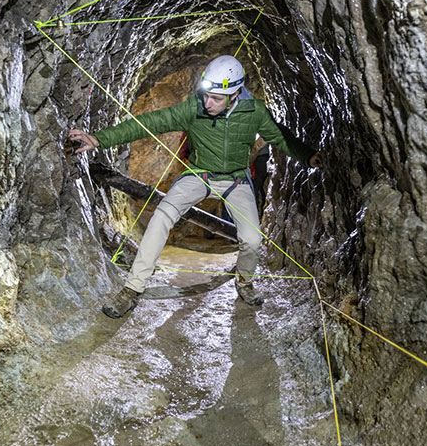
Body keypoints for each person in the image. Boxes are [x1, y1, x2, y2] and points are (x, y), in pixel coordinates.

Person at [69, 55, 321, 317]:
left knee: (252, 239)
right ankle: (132, 290)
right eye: (206, 95)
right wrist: (98, 139)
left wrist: (306, 155)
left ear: (234, 94)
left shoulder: (254, 111)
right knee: (160, 219)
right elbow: (149, 123)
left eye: (216, 98)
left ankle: (245, 282)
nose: (208, 103)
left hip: (236, 180)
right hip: (199, 175)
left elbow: (279, 136)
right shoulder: (194, 108)